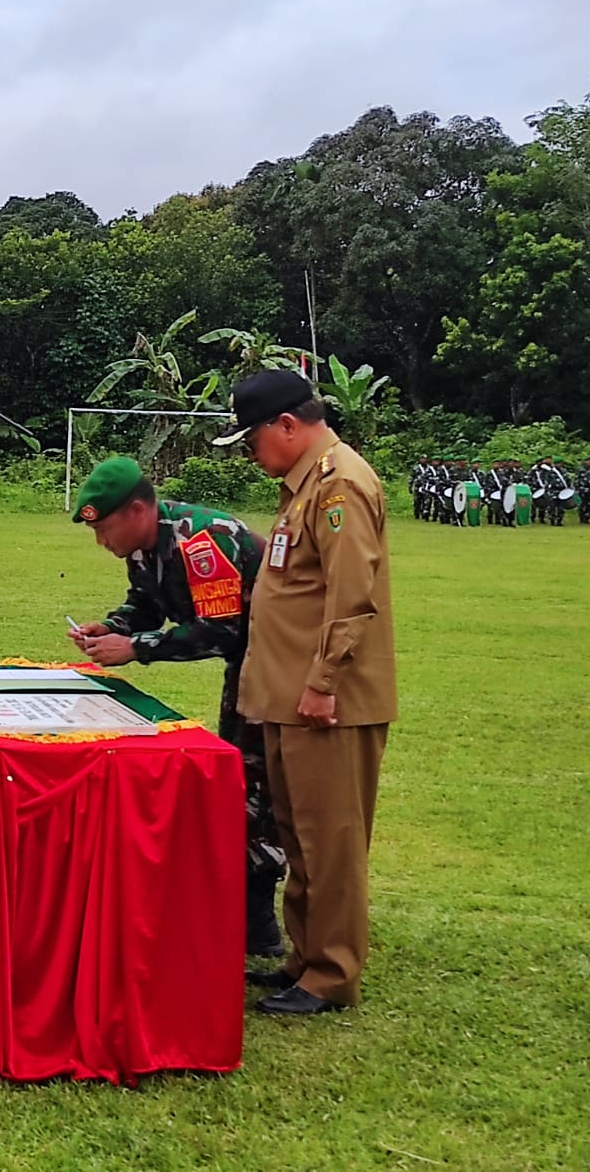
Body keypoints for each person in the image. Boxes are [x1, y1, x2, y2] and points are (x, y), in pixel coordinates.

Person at [215, 369, 396, 1015]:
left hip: (328, 703)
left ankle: (332, 973)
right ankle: (304, 958)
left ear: (288, 426)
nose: (250, 453)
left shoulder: (339, 482)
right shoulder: (305, 485)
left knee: (332, 842)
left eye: (252, 439)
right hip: (291, 701)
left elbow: (354, 597)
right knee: (300, 840)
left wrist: (322, 683)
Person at [69, 457, 286, 958]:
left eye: (104, 530)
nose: (102, 542)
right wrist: (113, 626)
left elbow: (220, 630)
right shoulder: (144, 547)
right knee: (242, 775)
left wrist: (138, 648)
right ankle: (241, 904)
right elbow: (145, 604)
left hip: (277, 661)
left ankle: (259, 922)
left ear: (139, 510)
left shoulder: (200, 541)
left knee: (257, 781)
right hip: (250, 661)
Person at [531, 457, 570, 526]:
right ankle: (552, 520)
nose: (560, 465)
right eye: (558, 463)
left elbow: (567, 480)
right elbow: (546, 481)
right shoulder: (550, 471)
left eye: (561, 463)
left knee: (561, 507)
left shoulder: (563, 471)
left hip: (562, 490)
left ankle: (559, 521)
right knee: (552, 506)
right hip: (553, 491)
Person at [576, 458, 590, 525]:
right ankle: (582, 518)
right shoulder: (581, 470)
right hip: (582, 490)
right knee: (582, 504)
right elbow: (577, 481)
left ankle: (587, 518)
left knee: (588, 505)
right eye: (588, 461)